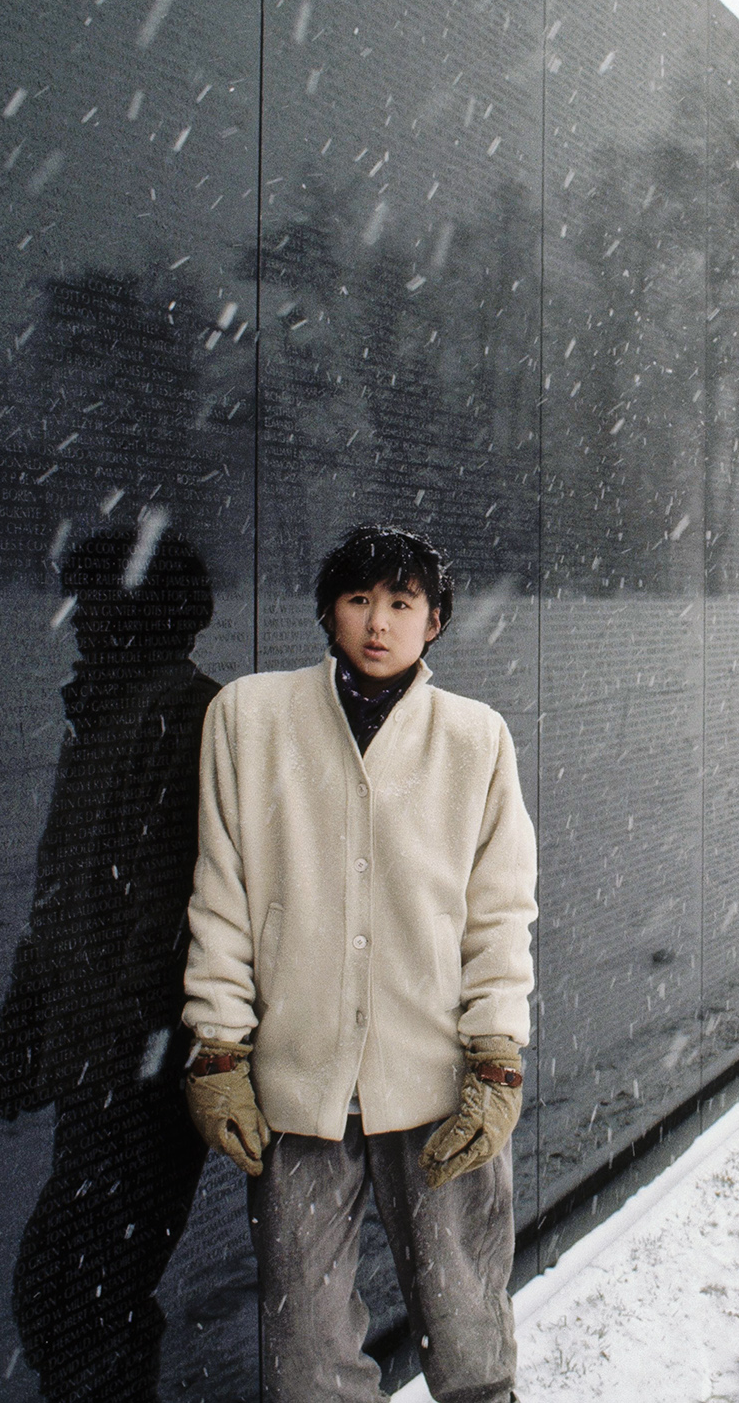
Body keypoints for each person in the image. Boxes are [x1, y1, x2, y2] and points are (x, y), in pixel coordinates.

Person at [178, 524, 537, 1403]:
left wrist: (495, 1059)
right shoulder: (251, 720)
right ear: (330, 611)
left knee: (468, 1328)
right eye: (359, 600)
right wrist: (219, 1050)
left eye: (402, 604)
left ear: (436, 622)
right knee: (304, 1351)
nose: (378, 622)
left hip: (437, 1083)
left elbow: (499, 914)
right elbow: (221, 893)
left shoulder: (474, 740)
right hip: (299, 1089)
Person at [0, 522, 219, 1403]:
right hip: (98, 1065)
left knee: (83, 1295)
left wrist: (127, 1054)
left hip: (136, 1073)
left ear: (143, 614)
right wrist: (26, 1017)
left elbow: (168, 915)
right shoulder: (103, 719)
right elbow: (63, 893)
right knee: (74, 1294)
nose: (78, 621)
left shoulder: (184, 720)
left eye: (97, 603)